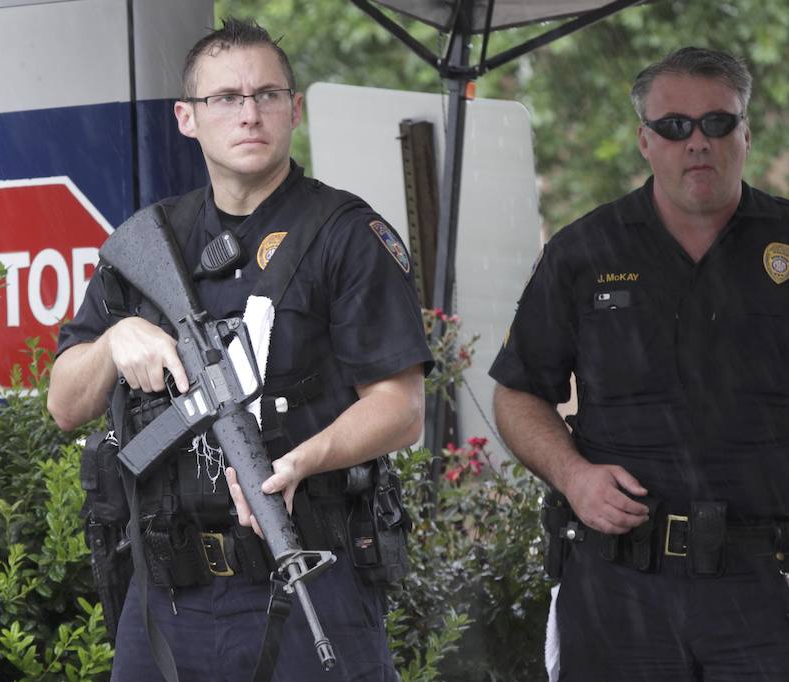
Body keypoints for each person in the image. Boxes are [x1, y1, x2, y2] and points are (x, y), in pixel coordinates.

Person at [47, 18, 432, 681]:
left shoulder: (344, 234)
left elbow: (401, 408)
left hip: (309, 578)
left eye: (267, 95)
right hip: (167, 602)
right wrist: (113, 341)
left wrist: (301, 461)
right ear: (187, 118)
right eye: (225, 98)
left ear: (294, 109)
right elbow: (63, 403)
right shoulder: (148, 241)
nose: (249, 113)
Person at [490, 46, 789, 681]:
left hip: (768, 585)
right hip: (621, 584)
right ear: (644, 141)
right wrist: (573, 476)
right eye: (674, 126)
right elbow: (518, 393)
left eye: (718, 123)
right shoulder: (585, 250)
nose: (697, 142)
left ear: (746, 133)